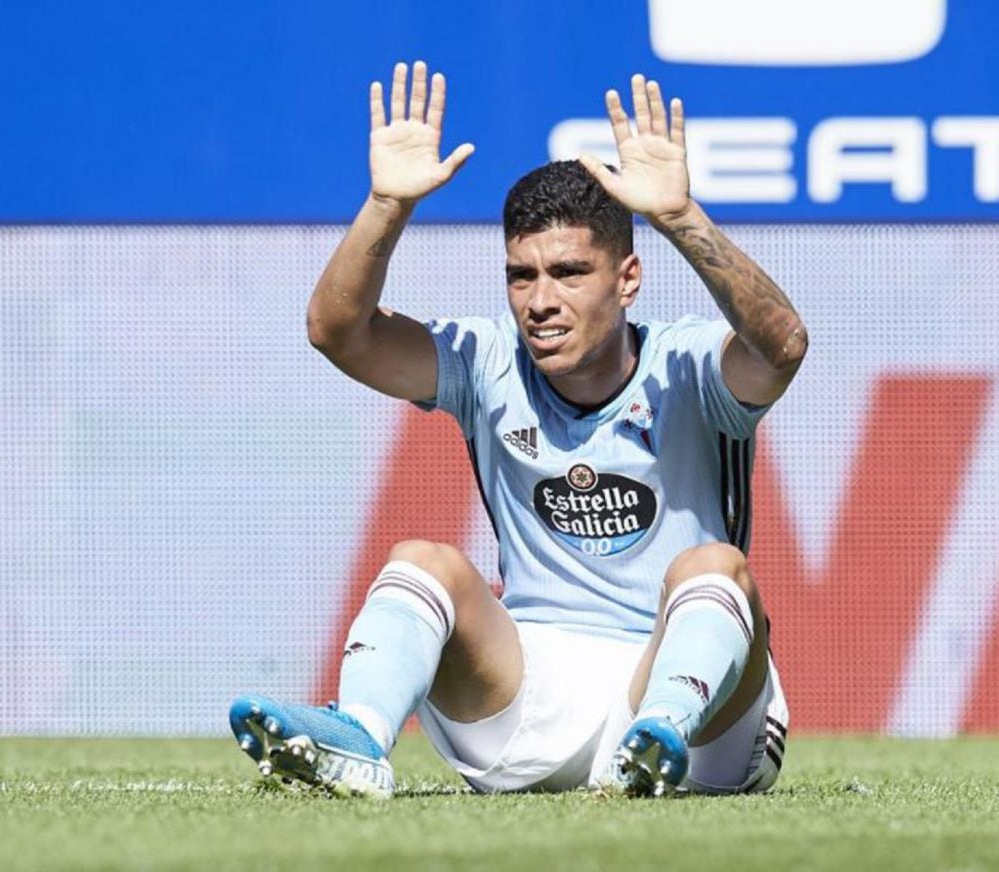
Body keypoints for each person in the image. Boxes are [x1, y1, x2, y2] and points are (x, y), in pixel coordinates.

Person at [229, 60, 806, 798]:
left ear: (627, 278)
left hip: (698, 716)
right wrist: (385, 204)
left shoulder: (689, 365)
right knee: (422, 560)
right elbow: (338, 333)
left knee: (714, 568)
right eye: (521, 275)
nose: (540, 299)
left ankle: (652, 743)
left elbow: (783, 345)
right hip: (532, 699)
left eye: (568, 272)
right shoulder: (484, 361)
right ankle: (360, 741)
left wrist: (679, 218)